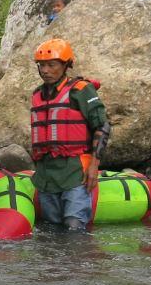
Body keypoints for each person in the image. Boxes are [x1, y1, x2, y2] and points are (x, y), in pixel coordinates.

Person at [30, 38, 110, 231]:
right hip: (46, 174)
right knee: (51, 231)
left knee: (74, 228)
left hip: (75, 171)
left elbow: (103, 126)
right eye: (41, 66)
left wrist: (94, 166)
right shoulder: (37, 94)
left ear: (66, 65)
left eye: (52, 65)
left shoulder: (81, 90)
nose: (45, 71)